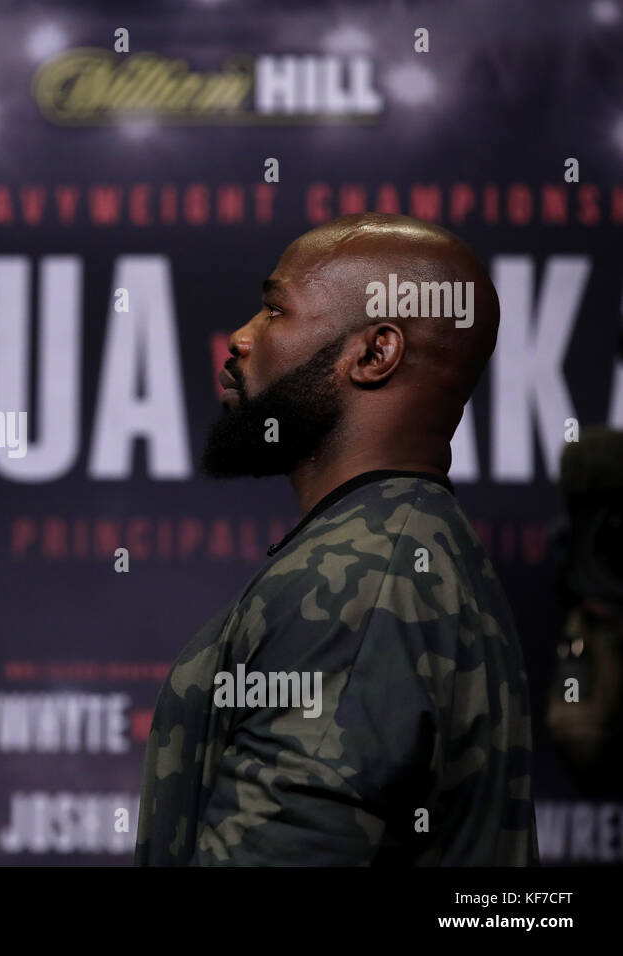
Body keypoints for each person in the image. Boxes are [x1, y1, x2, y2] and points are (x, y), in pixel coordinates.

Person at [135, 213, 539, 865]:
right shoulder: (408, 546)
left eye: (274, 311)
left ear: (374, 354)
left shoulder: (358, 588)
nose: (238, 338)